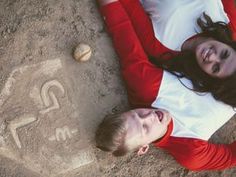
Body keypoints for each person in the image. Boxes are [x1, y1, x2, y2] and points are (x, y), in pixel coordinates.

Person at [95, 0, 236, 171]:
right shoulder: (192, 151)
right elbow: (231, 156)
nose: (149, 117)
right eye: (145, 127)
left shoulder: (147, 86)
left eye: (139, 114)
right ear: (144, 147)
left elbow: (122, 32)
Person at [117, 0, 236, 107]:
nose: (212, 57)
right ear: (230, 45)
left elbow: (129, 4)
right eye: (224, 54)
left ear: (209, 77)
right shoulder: (228, 22)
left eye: (215, 68)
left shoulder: (161, 47)